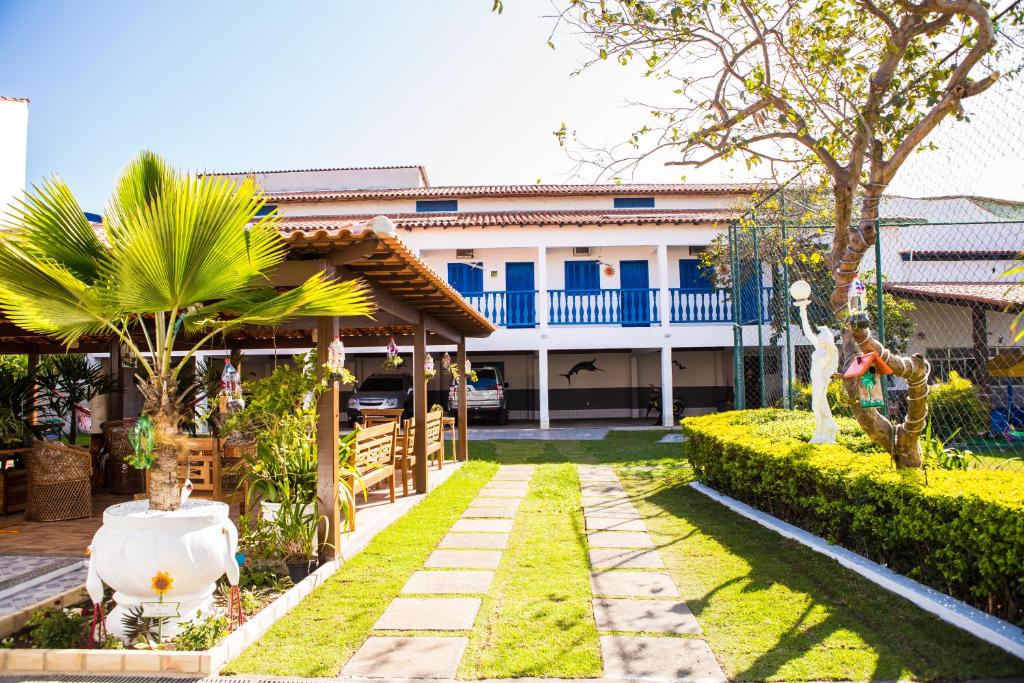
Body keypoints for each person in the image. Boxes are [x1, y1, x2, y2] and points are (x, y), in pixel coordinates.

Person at [796, 299, 839, 443]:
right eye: (819, 338)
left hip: (821, 380)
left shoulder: (829, 352)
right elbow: (807, 331)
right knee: (820, 406)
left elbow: (832, 366)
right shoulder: (819, 348)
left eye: (821, 338)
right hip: (815, 380)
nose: (818, 339)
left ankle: (821, 432)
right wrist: (803, 311)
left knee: (816, 406)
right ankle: (828, 427)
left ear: (826, 340)